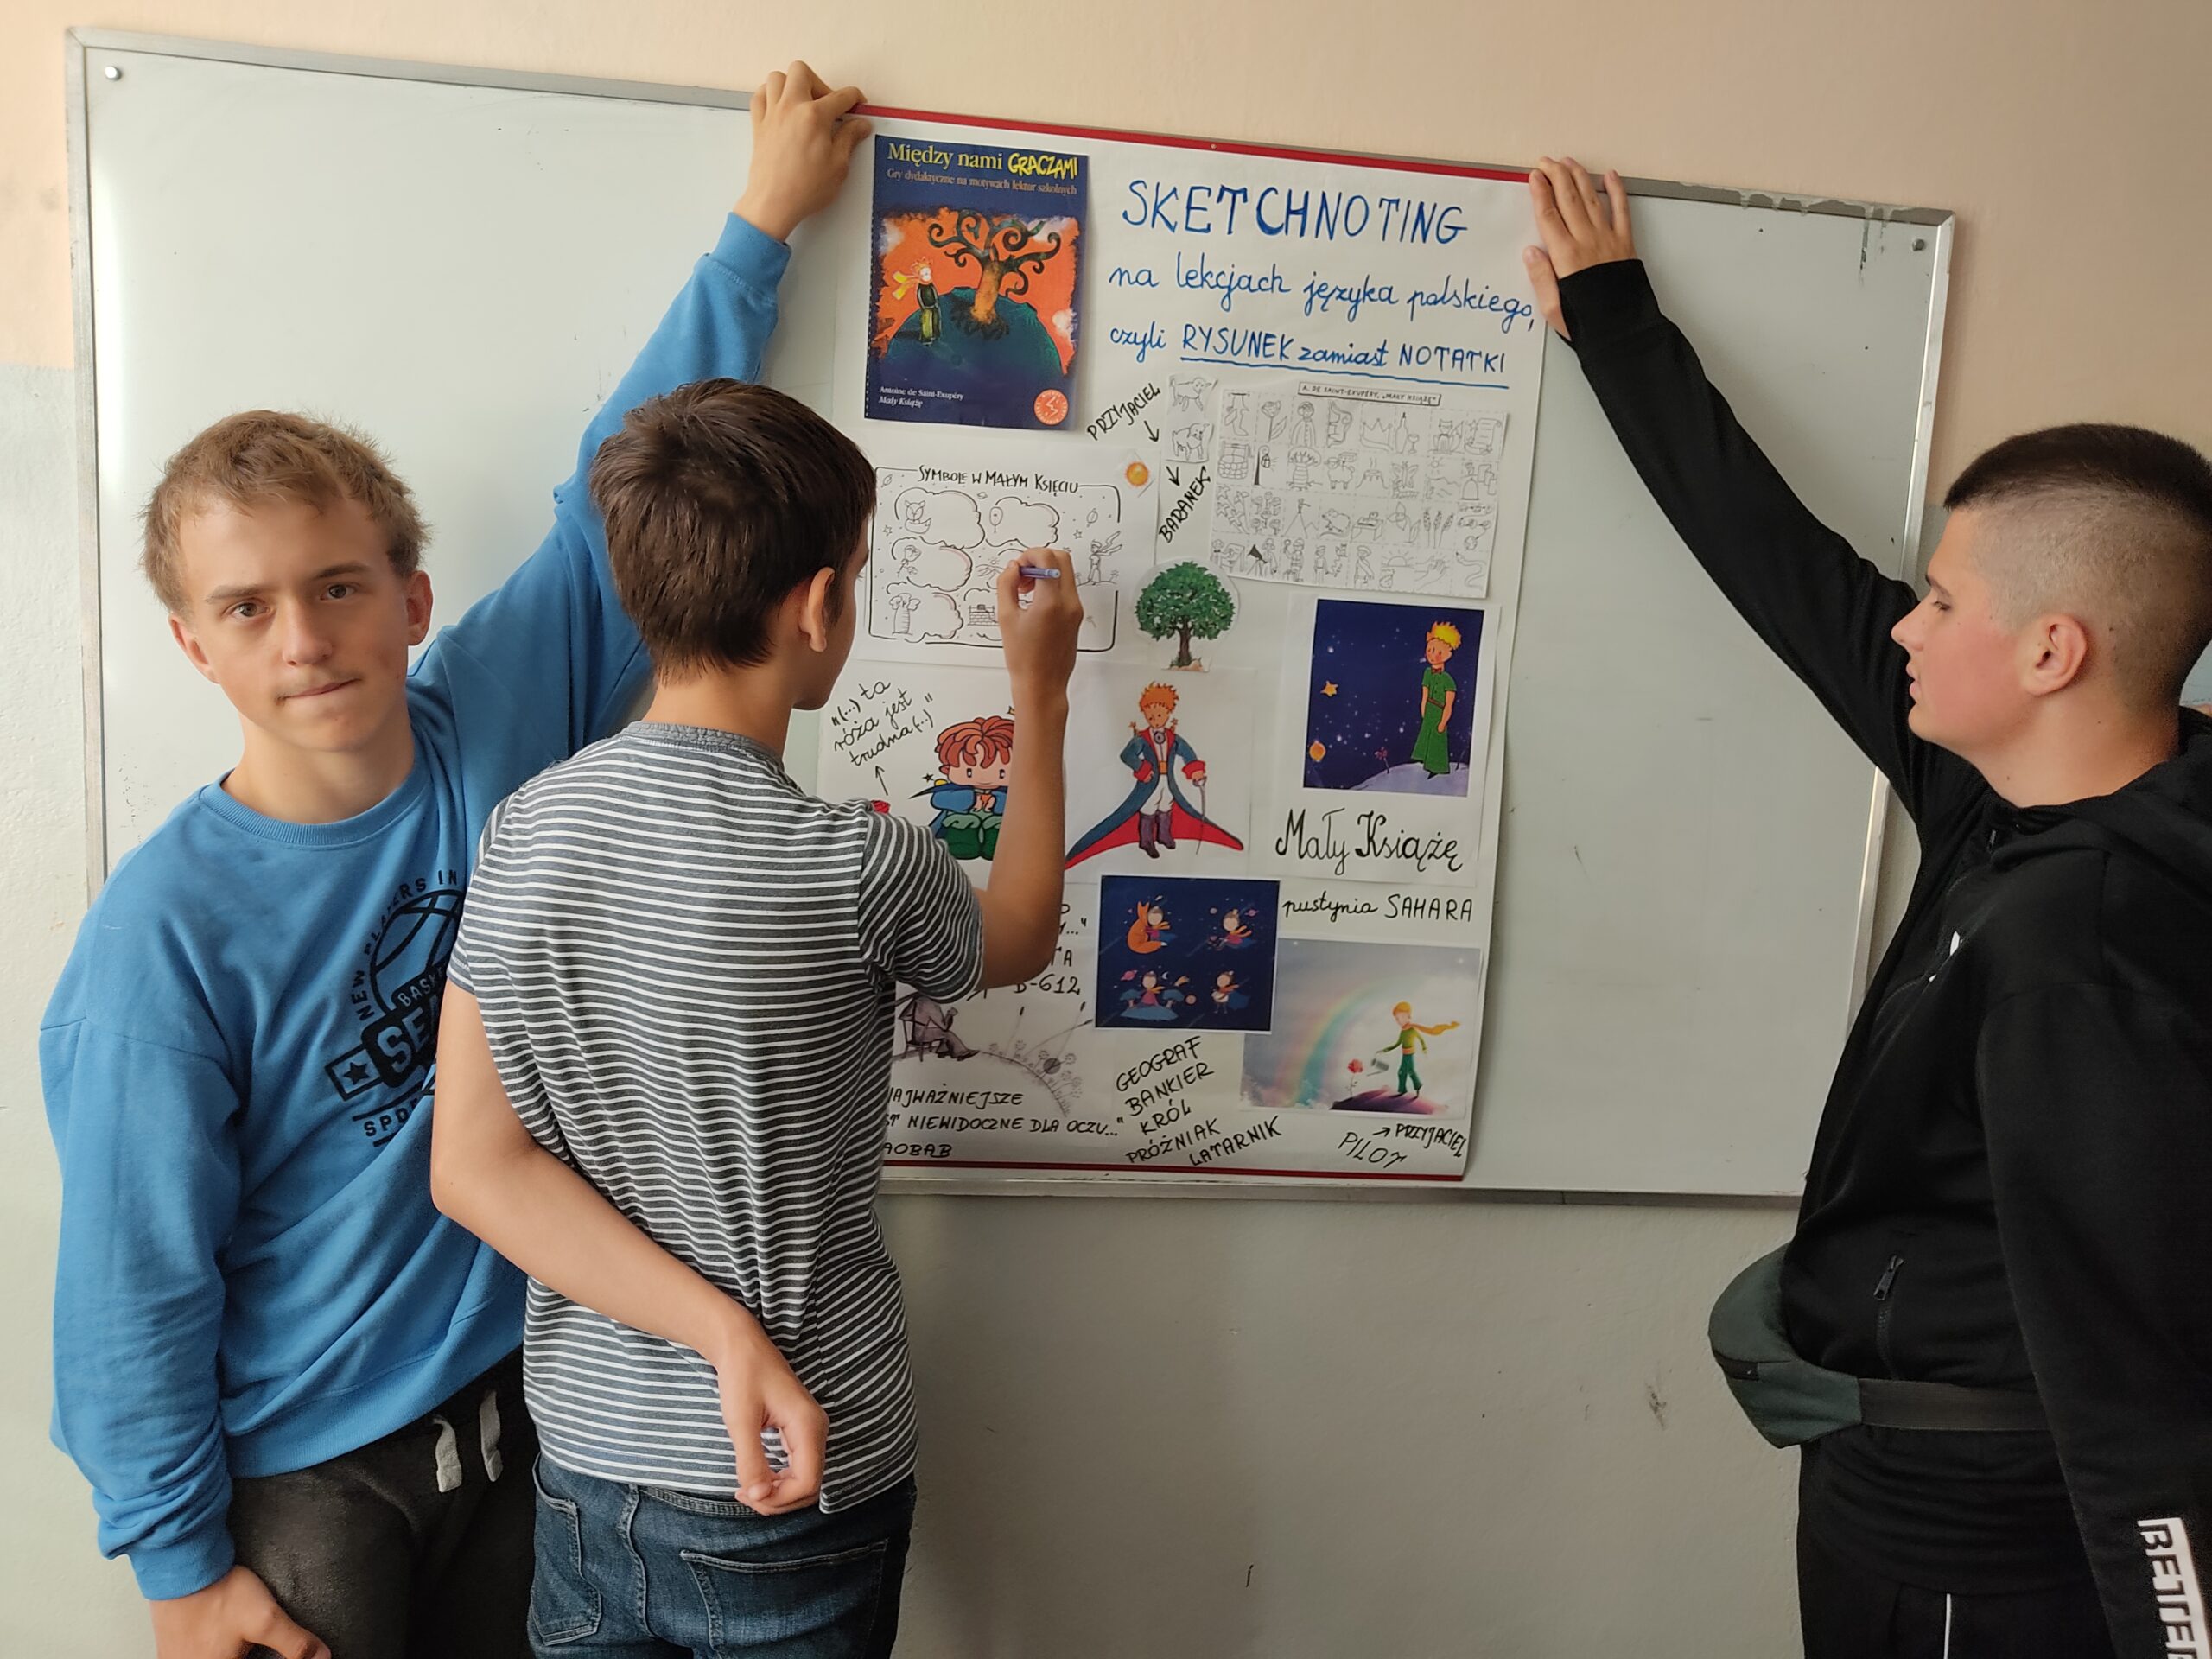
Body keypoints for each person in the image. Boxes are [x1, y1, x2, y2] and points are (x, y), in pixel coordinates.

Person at [37, 62, 871, 1659]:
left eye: (341, 586)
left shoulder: (493, 711)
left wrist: (761, 224)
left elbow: (619, 493)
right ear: (193, 647)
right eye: (248, 607)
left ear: (413, 601)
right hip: (309, 1470)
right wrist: (179, 1570)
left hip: (531, 1410)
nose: (305, 637)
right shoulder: (161, 935)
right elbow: (131, 1278)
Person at [1525, 155, 2212, 1659]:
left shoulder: (2088, 940)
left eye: (1946, 601)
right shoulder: (1998, 796)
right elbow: (1788, 573)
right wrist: (1618, 326)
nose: (1908, 623)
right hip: (1879, 1469)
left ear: (2052, 653)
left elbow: (2136, 1360)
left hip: (1985, 1526)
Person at [427, 381, 1082, 1654]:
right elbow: (1018, 934)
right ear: (819, 606)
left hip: (588, 1469)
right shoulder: (857, 864)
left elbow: (473, 1168)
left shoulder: (525, 832)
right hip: (801, 1469)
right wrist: (1040, 695)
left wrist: (713, 1334)